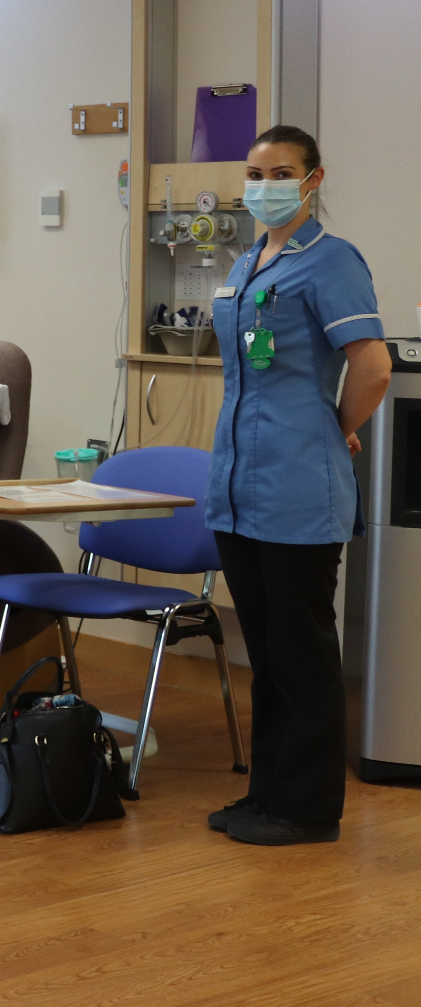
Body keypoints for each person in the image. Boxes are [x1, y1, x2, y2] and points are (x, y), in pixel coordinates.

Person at [204, 125, 388, 846]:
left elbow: (371, 366)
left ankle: (308, 809)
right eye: (254, 172)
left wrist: (334, 424)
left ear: (313, 180)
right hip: (240, 486)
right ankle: (267, 796)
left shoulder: (332, 261)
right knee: (269, 657)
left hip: (298, 489)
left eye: (279, 171)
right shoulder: (248, 261)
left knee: (304, 657)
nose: (263, 183)